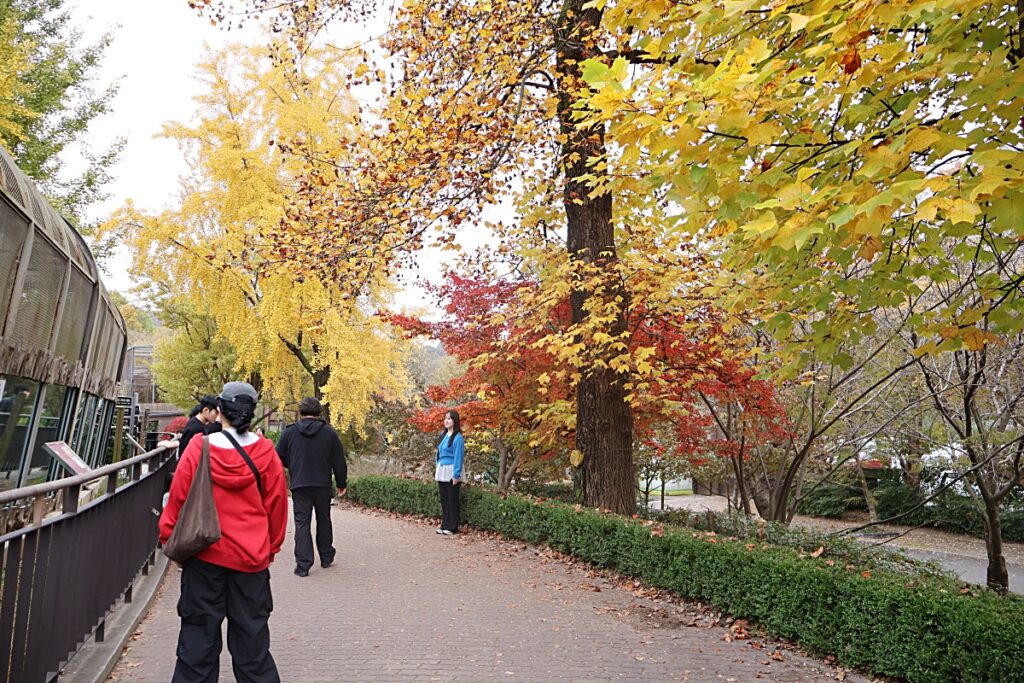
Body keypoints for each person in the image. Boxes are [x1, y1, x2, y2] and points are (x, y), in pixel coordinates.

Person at [159, 381, 288, 683]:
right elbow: (277, 505)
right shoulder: (266, 452)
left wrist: (170, 540)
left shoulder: (198, 448)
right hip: (251, 560)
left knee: (197, 644)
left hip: (204, 556)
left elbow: (178, 499)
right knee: (253, 647)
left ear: (219, 410)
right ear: (252, 413)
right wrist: (269, 549)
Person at [275, 397, 347, 577]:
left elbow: (277, 457)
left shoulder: (289, 433)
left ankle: (303, 565)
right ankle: (326, 556)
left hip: (300, 484)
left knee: (302, 523)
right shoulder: (329, 433)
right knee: (324, 519)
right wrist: (341, 482)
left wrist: (292, 465)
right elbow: (339, 460)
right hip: (322, 484)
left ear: (301, 412)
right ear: (319, 413)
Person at [434, 409, 464, 535]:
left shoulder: (458, 438)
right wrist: (437, 468)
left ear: (455, 421)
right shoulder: (443, 436)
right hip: (442, 469)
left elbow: (459, 457)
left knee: (452, 499)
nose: (446, 421)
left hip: (452, 470)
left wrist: (456, 474)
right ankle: (444, 524)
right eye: (445, 418)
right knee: (444, 499)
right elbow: (439, 454)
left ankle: (452, 526)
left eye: (449, 418)